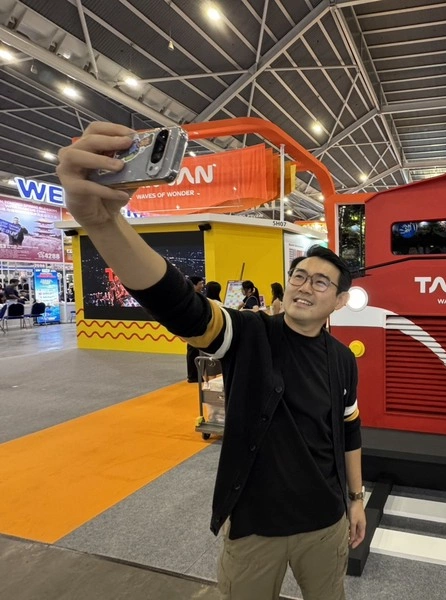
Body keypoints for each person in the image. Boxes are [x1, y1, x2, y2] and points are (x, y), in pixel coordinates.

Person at [56, 121, 366, 600]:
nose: (306, 286)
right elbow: (183, 306)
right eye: (300, 276)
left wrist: (355, 499)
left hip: (325, 525)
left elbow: (349, 431)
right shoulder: (251, 334)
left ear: (340, 300)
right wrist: (104, 224)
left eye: (321, 282)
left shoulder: (343, 360)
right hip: (255, 529)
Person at [186, 276, 205, 383]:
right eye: (200, 284)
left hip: (197, 327)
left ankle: (196, 374)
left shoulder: (196, 296)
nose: (202, 286)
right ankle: (192, 376)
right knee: (192, 351)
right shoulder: (189, 297)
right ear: (194, 285)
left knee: (196, 351)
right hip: (192, 328)